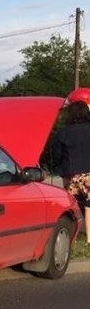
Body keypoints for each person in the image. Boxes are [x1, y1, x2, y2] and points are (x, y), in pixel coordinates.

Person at [53, 88, 90, 218]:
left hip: (71, 174)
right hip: (89, 175)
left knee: (73, 205)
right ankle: (89, 236)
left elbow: (57, 154)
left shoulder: (62, 133)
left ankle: (74, 232)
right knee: (89, 205)